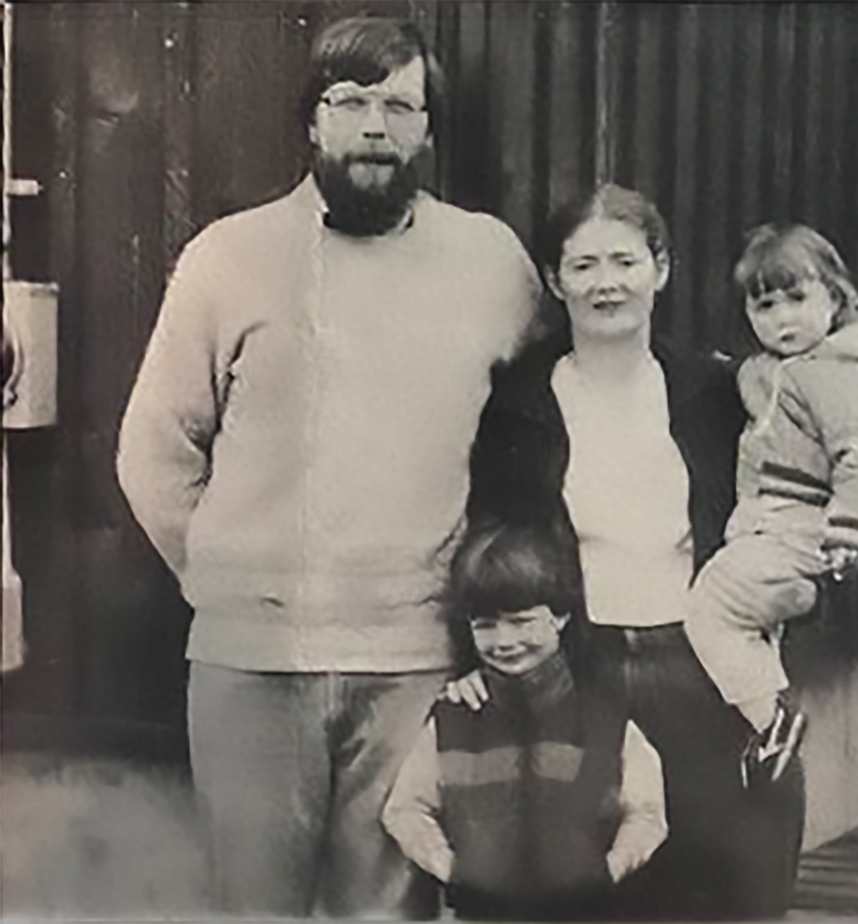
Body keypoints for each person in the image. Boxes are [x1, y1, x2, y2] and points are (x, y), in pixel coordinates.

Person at [116, 17, 539, 919]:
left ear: (428, 129)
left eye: (398, 105)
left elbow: (540, 429)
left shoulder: (492, 263)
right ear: (311, 123)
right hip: (252, 665)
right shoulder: (227, 257)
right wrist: (231, 578)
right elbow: (153, 448)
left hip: (416, 661)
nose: (374, 127)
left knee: (389, 913)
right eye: (348, 103)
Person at [453, 185, 858, 919]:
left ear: (662, 269)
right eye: (583, 266)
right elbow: (492, 542)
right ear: (555, 281)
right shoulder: (520, 401)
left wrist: (813, 583)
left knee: (732, 892)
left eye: (625, 260)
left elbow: (824, 475)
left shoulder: (721, 388)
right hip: (580, 683)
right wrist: (480, 662)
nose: (606, 282)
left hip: (704, 675)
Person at [683, 223, 858, 788]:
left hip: (798, 525)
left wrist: (850, 530)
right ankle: (767, 732)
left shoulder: (838, 372)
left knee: (709, 608)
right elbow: (768, 397)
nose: (782, 319)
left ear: (836, 296)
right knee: (745, 624)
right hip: (767, 525)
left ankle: (772, 722)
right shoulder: (789, 368)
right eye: (765, 305)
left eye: (798, 299)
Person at [383, 521, 667, 920]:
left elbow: (648, 813)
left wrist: (608, 871)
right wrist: (453, 871)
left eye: (522, 621)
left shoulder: (607, 717)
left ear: (561, 617)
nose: (504, 640)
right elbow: (405, 808)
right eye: (485, 625)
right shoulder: (454, 717)